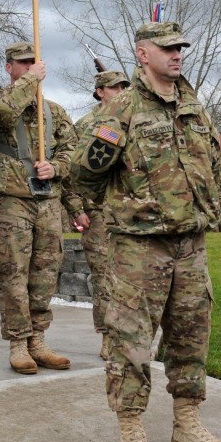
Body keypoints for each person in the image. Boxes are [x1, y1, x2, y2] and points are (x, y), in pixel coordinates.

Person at [70, 21, 221, 442]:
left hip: (191, 243)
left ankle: (187, 426)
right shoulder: (121, 111)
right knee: (130, 343)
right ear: (142, 54)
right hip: (139, 248)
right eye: (166, 48)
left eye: (180, 47)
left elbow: (213, 163)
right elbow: (85, 174)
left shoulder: (193, 105)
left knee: (190, 335)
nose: (177, 54)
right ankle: (131, 436)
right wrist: (130, 205)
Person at [0, 41, 79, 375]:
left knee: (45, 272)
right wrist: (29, 81)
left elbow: (71, 148)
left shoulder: (53, 111)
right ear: (9, 67)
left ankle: (38, 338)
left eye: (34, 64)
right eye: (22, 64)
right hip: (11, 199)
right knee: (13, 272)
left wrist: (57, 167)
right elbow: (4, 112)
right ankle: (18, 343)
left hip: (47, 201)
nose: (29, 68)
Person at [74, 70, 130, 360]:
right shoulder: (86, 125)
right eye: (114, 87)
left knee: (131, 278)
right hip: (97, 214)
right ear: (99, 92)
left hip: (129, 214)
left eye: (123, 87)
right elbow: (73, 172)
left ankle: (128, 334)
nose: (120, 91)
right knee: (104, 279)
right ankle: (108, 336)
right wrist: (77, 210)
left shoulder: (133, 122)